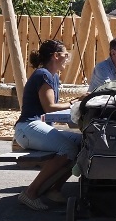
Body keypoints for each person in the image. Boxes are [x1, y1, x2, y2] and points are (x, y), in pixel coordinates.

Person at [14, 40, 82, 210]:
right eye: (66, 54)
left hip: (36, 127)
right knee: (68, 148)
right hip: (28, 127)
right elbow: (50, 107)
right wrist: (75, 102)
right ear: (56, 56)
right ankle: (30, 192)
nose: (67, 58)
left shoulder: (53, 76)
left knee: (83, 143)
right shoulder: (43, 75)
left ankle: (54, 189)